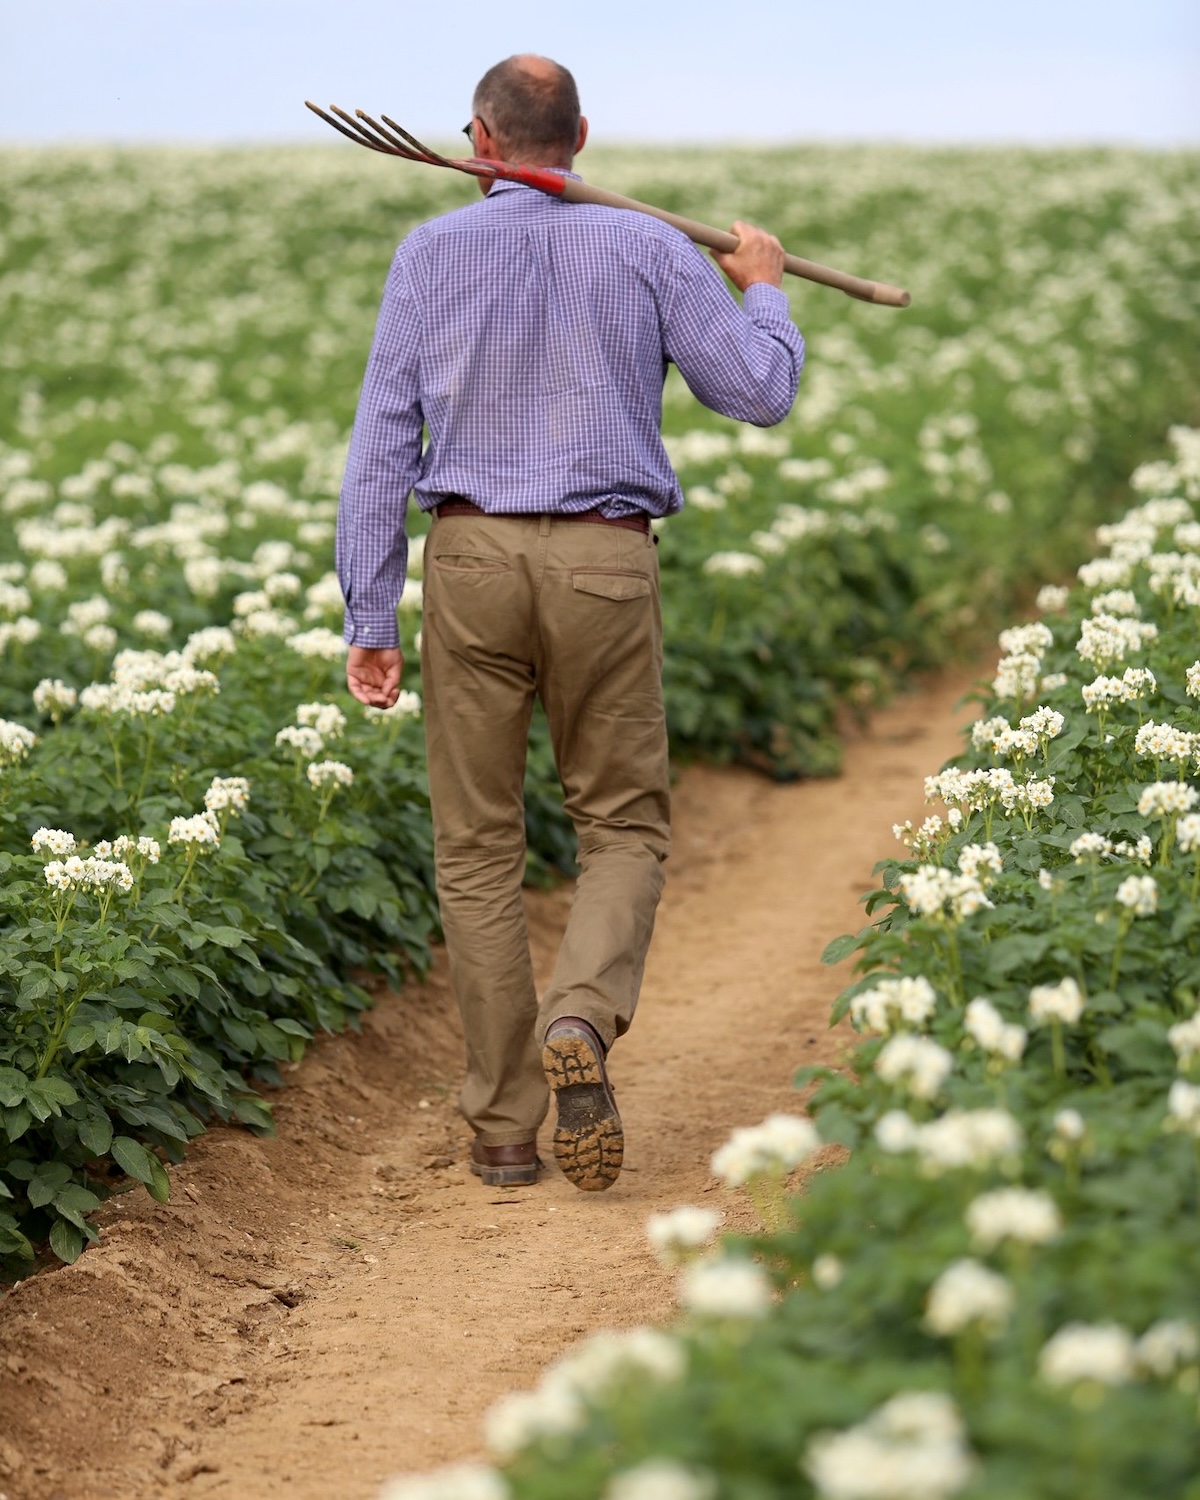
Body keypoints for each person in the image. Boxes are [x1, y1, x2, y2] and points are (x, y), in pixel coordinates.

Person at [337, 54, 804, 1192]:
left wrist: (371, 609)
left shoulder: (429, 252)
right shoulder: (649, 244)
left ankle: (502, 1126)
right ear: (582, 134)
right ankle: (583, 1019)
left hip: (472, 557)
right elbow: (758, 393)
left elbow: (380, 446)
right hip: (603, 561)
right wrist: (763, 284)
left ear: (479, 143)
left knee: (478, 845)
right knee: (624, 825)